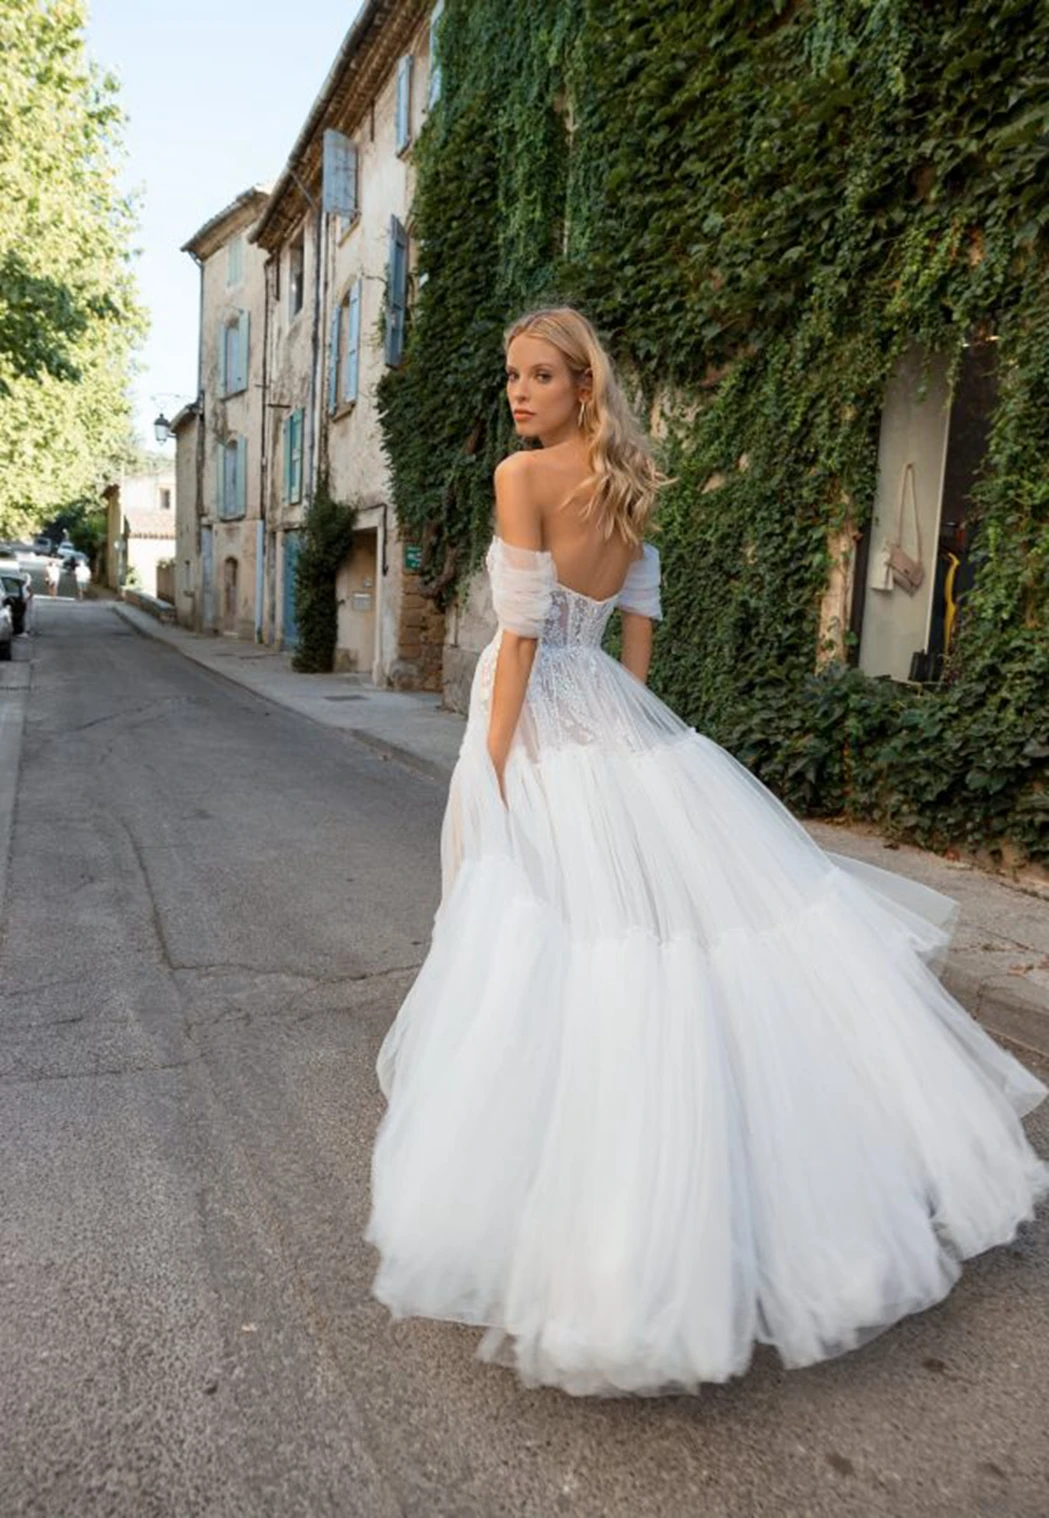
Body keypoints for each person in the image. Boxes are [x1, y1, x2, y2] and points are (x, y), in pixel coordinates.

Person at [366, 305, 1047, 1397]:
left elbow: (524, 641)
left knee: (522, 937)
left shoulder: (522, 479)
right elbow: (633, 655)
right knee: (653, 940)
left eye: (540, 375)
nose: (518, 391)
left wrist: (493, 771)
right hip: (621, 729)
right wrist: (630, 745)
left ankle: (571, 1218)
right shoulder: (627, 489)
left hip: (535, 722)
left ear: (584, 387)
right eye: (512, 374)